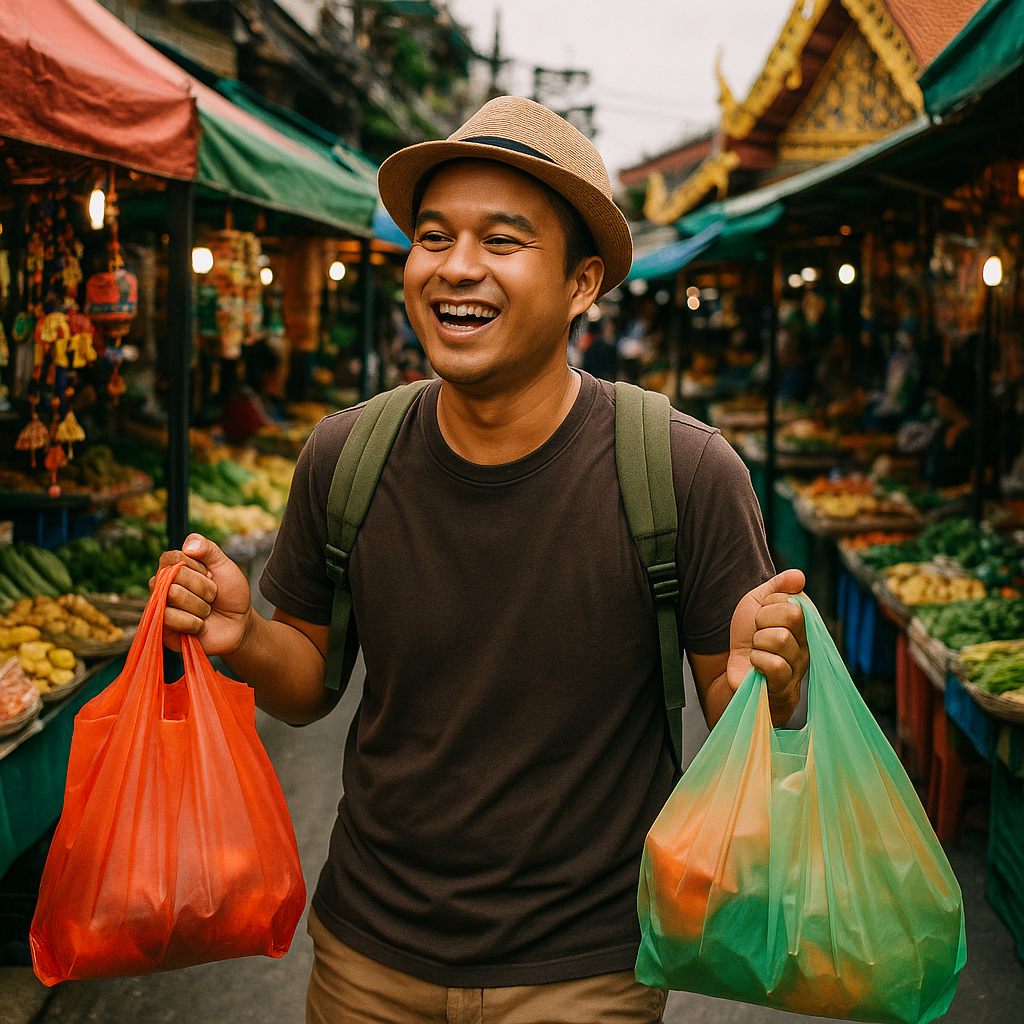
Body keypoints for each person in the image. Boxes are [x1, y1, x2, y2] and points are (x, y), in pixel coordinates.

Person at [156, 96, 809, 1024]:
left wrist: (764, 695)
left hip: (587, 966)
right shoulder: (346, 457)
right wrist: (245, 637)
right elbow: (308, 685)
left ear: (583, 283)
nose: (456, 268)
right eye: (433, 236)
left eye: (502, 241)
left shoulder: (683, 470)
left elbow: (732, 710)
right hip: (368, 954)